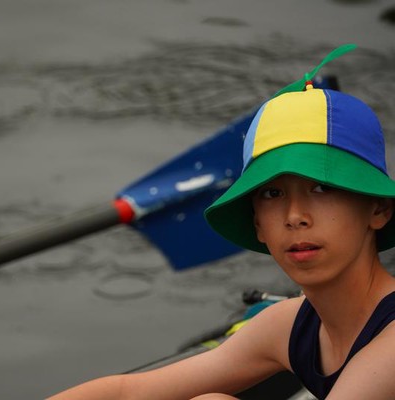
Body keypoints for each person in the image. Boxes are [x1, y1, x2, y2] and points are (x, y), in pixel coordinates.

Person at [47, 48, 395, 400]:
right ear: (257, 224)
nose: (294, 216)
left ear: (378, 208)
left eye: (321, 188)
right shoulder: (288, 326)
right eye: (273, 193)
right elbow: (127, 393)